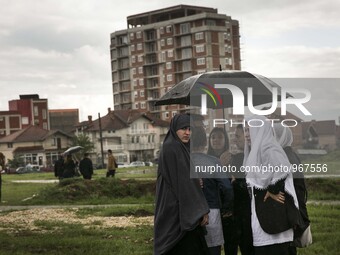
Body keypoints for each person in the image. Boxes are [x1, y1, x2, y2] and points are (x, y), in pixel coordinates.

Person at [154, 113, 210, 255]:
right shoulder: (172, 148)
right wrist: (201, 210)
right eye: (183, 128)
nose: (187, 132)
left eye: (190, 129)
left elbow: (185, 178)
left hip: (179, 209)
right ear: (174, 129)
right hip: (177, 212)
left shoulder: (179, 147)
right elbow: (184, 184)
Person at [244, 116, 300, 255]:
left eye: (249, 130)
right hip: (263, 220)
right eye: (245, 130)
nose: (246, 134)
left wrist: (272, 189)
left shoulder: (269, 148)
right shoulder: (255, 153)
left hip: (274, 222)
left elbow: (283, 169)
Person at [191, 126, 234, 255]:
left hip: (190, 212)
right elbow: (227, 187)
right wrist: (227, 208)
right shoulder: (213, 161)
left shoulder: (184, 161)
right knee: (213, 249)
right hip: (212, 211)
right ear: (205, 142)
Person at [273, 124, 310, 255]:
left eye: (274, 135)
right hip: (294, 209)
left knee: (287, 247)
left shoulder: (284, 157)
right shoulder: (290, 154)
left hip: (289, 212)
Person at [222, 124, 254, 255]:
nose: (235, 139)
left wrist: (236, 183)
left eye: (237, 136)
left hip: (248, 216)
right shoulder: (233, 158)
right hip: (234, 216)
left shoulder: (254, 158)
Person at [207, 127, 237, 255]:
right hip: (212, 208)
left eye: (220, 137)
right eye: (213, 137)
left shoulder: (232, 158)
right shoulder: (205, 159)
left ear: (226, 139)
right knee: (214, 247)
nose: (216, 140)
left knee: (231, 245)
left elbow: (234, 184)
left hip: (228, 210)